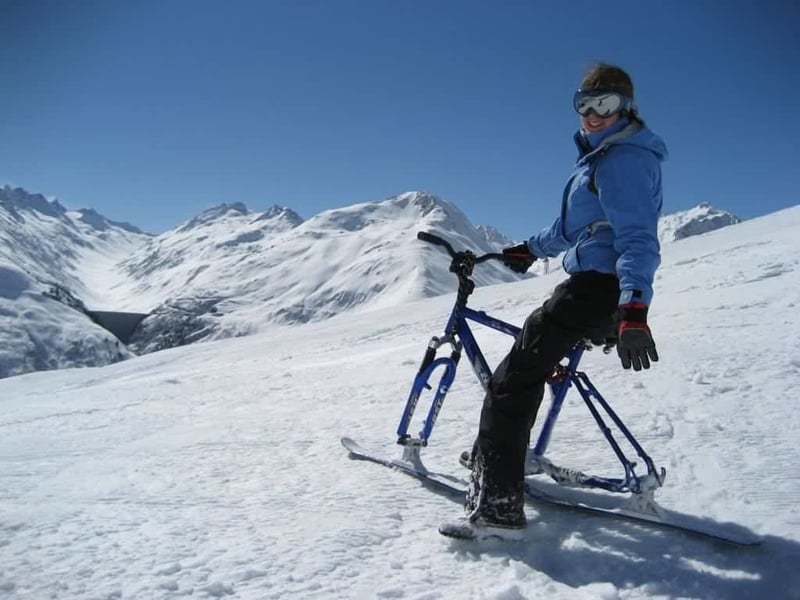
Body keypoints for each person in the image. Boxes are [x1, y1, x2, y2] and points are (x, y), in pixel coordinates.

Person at [463, 63, 668, 531]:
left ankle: (498, 509)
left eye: (605, 104)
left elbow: (638, 240)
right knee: (528, 366)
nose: (593, 114)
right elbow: (574, 228)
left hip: (597, 288)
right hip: (590, 283)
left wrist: (634, 310)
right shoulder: (599, 160)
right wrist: (530, 249)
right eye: (584, 104)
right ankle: (500, 459)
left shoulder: (622, 161)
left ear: (626, 108)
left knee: (512, 381)